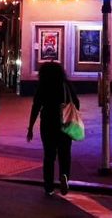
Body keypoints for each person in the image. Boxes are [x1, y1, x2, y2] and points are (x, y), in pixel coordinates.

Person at [27, 62, 79, 197]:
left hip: (48, 123)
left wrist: (30, 127)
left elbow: (36, 106)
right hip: (65, 124)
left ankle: (49, 187)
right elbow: (76, 103)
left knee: (49, 155)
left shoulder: (43, 86)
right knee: (65, 153)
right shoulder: (66, 85)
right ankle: (64, 175)